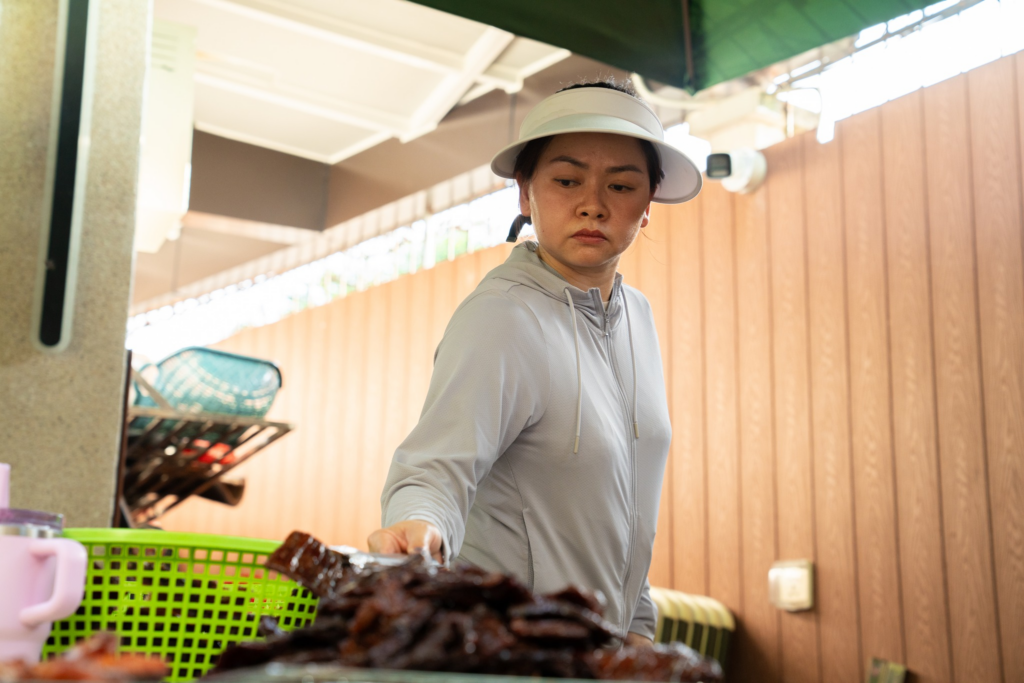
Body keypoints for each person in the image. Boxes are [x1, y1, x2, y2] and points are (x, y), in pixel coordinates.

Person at [368, 79, 702, 647]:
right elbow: (435, 468)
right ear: (525, 194)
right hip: (513, 651)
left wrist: (638, 631)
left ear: (648, 205)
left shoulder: (637, 318)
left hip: (598, 653)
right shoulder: (503, 316)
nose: (593, 204)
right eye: (567, 180)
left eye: (621, 185)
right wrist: (416, 527)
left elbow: (625, 514)